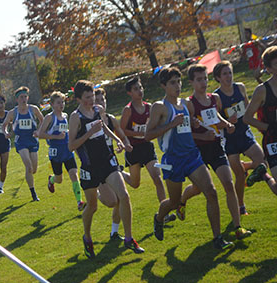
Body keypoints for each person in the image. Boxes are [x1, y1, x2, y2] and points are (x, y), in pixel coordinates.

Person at [145, 67, 233, 250]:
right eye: (172, 83)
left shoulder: (184, 103)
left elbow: (186, 128)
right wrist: (171, 124)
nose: (177, 86)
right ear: (163, 85)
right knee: (174, 202)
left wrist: (191, 123)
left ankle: (218, 238)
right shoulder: (159, 107)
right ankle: (159, 218)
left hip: (192, 156)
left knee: (211, 192)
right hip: (173, 160)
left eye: (179, 81)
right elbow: (148, 135)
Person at [68, 80, 144, 258]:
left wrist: (117, 139)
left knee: (124, 195)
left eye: (92, 96)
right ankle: (87, 237)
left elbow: (102, 128)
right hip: (89, 166)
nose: (91, 100)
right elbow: (71, 146)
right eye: (87, 98)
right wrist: (88, 133)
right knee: (92, 206)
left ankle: (129, 239)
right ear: (78, 99)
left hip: (107, 161)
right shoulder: (75, 117)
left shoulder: (97, 110)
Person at [178, 64, 251, 239]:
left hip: (217, 146)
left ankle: (238, 227)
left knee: (228, 183)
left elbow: (215, 117)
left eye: (205, 78)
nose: (203, 82)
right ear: (191, 82)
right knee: (197, 188)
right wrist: (203, 136)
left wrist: (227, 124)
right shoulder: (189, 104)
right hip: (198, 151)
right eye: (199, 79)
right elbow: (184, 132)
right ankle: (181, 201)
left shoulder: (214, 98)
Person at [213, 60, 266, 215]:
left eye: (230, 72)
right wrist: (228, 122)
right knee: (239, 177)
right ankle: (241, 206)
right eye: (224, 74)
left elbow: (248, 109)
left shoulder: (241, 88)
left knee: (261, 160)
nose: (228, 76)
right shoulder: (217, 97)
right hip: (229, 140)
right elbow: (215, 122)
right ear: (218, 78)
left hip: (244, 133)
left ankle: (246, 166)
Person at [120, 77, 176, 223]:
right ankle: (120, 172)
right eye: (136, 89)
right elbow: (122, 131)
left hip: (147, 147)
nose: (140, 91)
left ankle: (164, 214)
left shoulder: (150, 107)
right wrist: (139, 134)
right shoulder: (128, 110)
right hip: (133, 150)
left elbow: (156, 126)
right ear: (129, 93)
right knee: (135, 183)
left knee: (157, 179)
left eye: (140, 87)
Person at [94, 87, 135, 240]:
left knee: (121, 198)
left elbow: (122, 136)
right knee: (112, 201)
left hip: (111, 161)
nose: (100, 103)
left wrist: (125, 143)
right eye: (97, 101)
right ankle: (97, 194)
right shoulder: (89, 120)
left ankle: (114, 233)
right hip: (96, 166)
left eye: (102, 100)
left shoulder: (110, 119)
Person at [36, 91, 85, 210]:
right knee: (59, 179)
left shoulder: (65, 116)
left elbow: (66, 132)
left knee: (74, 175)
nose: (61, 104)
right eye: (58, 102)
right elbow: (40, 134)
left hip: (67, 151)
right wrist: (56, 137)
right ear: (52, 104)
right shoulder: (49, 117)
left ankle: (79, 202)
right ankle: (51, 179)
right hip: (56, 153)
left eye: (62, 102)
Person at [243, 45, 277, 196]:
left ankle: (263, 174)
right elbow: (247, 118)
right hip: (272, 140)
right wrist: (268, 127)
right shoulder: (262, 90)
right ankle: (264, 174)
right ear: (269, 69)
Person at [2, 86, 44, 201]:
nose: (24, 99)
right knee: (28, 166)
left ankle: (31, 184)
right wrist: (6, 133)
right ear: (17, 99)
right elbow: (4, 125)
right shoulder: (12, 112)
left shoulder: (33, 109)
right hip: (21, 142)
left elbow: (42, 120)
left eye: (25, 96)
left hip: (32, 140)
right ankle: (33, 194)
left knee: (33, 169)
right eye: (21, 97)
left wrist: (38, 130)